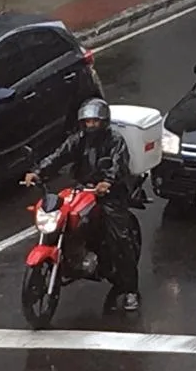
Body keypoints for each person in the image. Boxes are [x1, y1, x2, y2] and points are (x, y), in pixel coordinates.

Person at [21, 98, 142, 313]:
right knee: (62, 214)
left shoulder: (115, 140)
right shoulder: (78, 139)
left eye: (95, 121)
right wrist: (38, 172)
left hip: (110, 192)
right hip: (83, 188)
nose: (91, 125)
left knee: (120, 238)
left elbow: (118, 163)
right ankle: (71, 255)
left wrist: (108, 182)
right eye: (87, 121)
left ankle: (130, 290)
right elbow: (59, 155)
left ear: (104, 122)